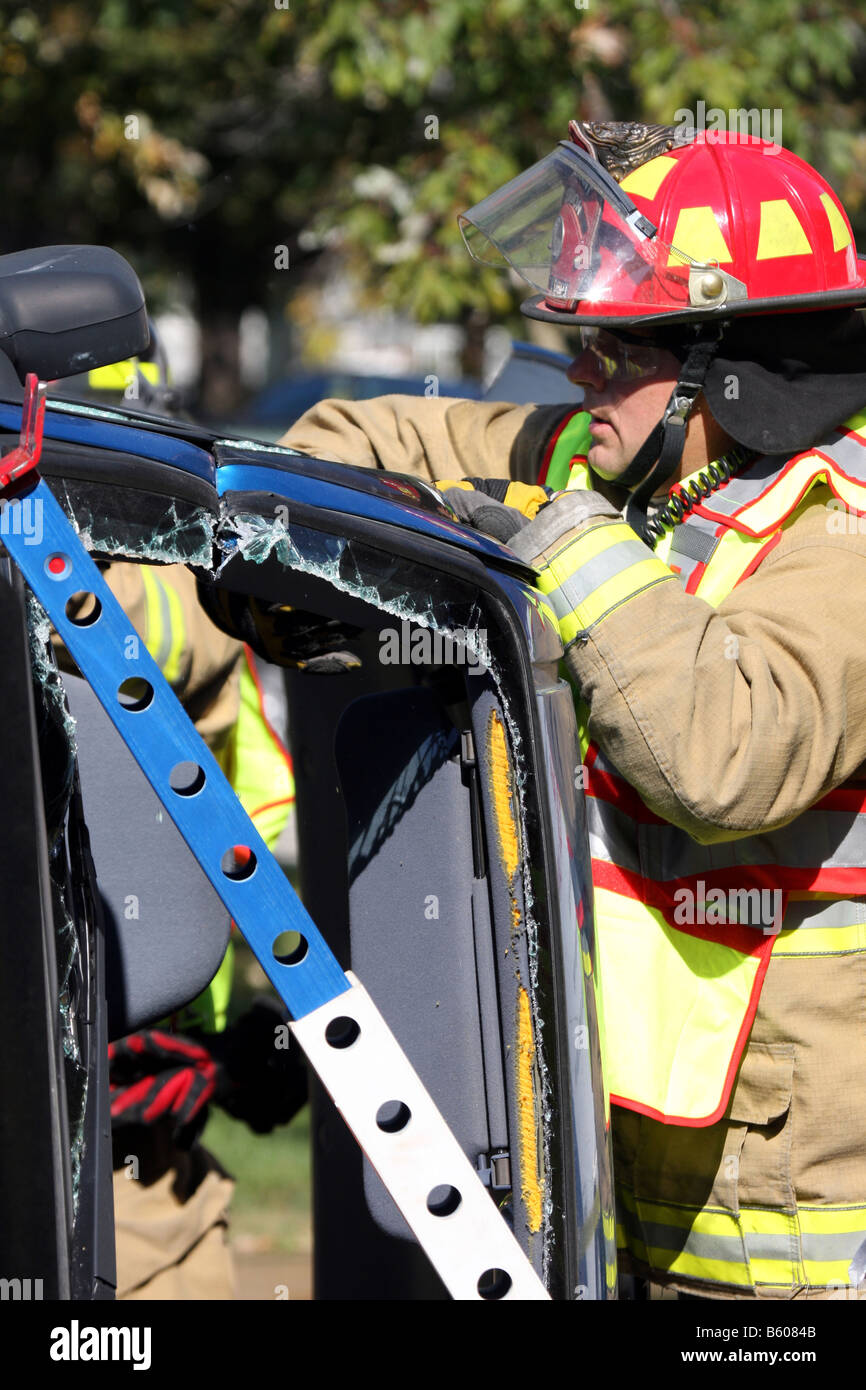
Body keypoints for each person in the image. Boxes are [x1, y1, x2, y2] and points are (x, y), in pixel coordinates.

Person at [279, 122, 866, 1300]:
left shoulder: (838, 536)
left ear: (732, 368)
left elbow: (722, 754)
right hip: (629, 1198)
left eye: (617, 348)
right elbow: (343, 440)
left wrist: (561, 537)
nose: (579, 373)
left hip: (801, 1240)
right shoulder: (611, 469)